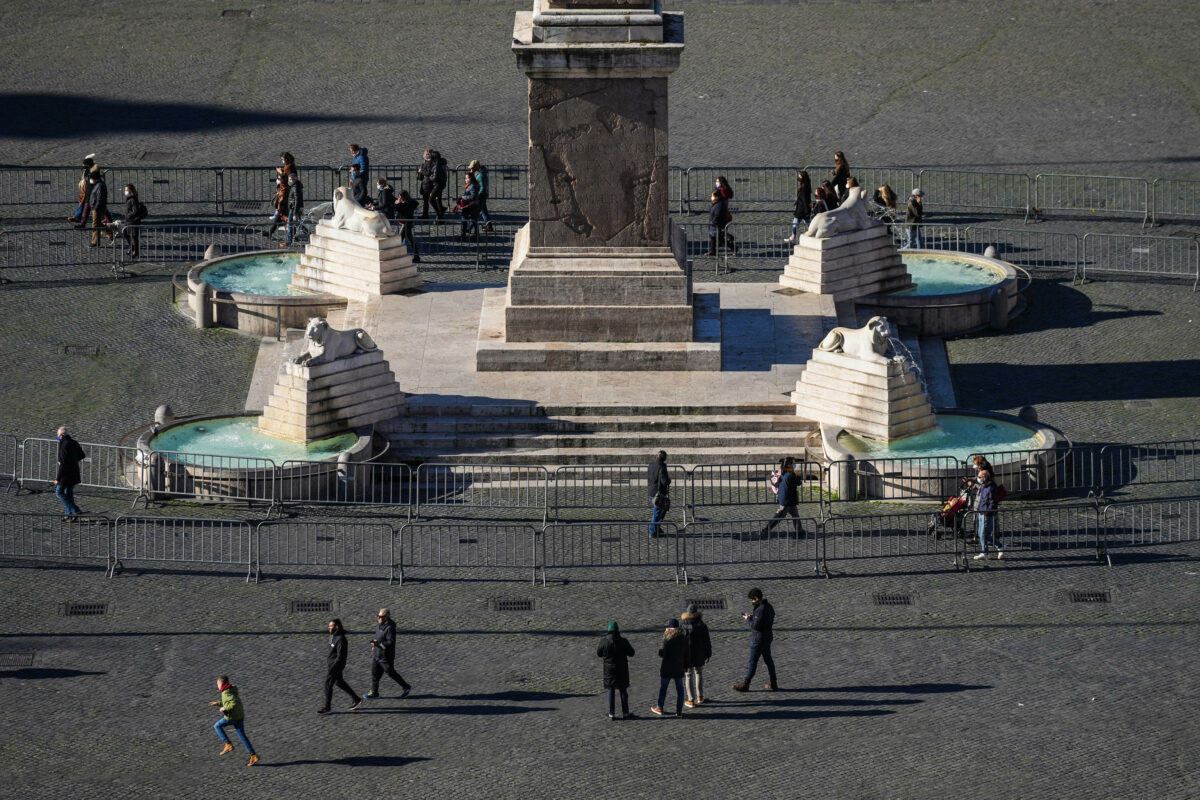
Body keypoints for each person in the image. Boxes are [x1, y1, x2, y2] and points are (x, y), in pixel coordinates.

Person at [732, 588, 776, 692]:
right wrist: (754, 617)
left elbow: (755, 626)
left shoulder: (760, 609)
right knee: (769, 661)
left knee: (752, 662)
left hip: (758, 639)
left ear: (756, 598)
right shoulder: (769, 606)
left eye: (752, 600)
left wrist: (748, 619)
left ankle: (745, 684)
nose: (751, 602)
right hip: (767, 637)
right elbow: (767, 619)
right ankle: (774, 683)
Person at [208, 675, 259, 766]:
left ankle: (228, 744)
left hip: (232, 717)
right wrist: (218, 703)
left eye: (218, 684)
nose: (217, 686)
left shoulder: (225, 693)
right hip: (240, 715)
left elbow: (233, 702)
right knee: (242, 736)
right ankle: (253, 755)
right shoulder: (231, 689)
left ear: (221, 684)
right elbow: (229, 700)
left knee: (217, 726)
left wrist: (224, 708)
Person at [363, 608, 412, 700]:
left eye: (382, 617)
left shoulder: (390, 628)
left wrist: (378, 644)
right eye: (378, 616)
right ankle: (374, 692)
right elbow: (378, 636)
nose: (379, 618)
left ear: (387, 617)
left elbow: (390, 642)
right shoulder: (380, 625)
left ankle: (406, 687)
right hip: (377, 655)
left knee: (391, 673)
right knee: (374, 673)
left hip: (385, 656)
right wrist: (374, 645)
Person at [319, 618, 362, 714]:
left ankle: (327, 706)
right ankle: (356, 699)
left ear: (336, 627)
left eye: (331, 626)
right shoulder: (332, 635)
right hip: (332, 664)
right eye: (329, 626)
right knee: (339, 682)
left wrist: (333, 666)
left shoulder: (341, 640)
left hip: (335, 666)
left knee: (328, 684)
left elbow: (340, 656)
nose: (329, 628)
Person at [596, 620, 635, 720]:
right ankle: (625, 713)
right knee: (623, 691)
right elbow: (632, 653)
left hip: (609, 670)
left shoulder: (604, 641)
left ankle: (611, 713)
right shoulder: (623, 641)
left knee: (611, 690)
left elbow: (599, 653)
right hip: (622, 669)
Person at [650, 618, 687, 717]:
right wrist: (686, 666)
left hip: (667, 667)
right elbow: (687, 654)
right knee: (680, 690)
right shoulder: (683, 638)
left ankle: (659, 707)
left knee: (663, 688)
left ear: (670, 628)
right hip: (679, 667)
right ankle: (679, 711)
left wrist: (659, 651)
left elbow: (664, 653)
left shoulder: (668, 639)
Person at [760, 456, 801, 538]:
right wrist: (798, 477)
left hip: (788, 498)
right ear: (789, 465)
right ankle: (766, 529)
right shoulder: (791, 474)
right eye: (793, 463)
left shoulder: (783, 472)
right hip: (787, 500)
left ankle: (799, 531)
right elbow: (798, 482)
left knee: (795, 515)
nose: (795, 464)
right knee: (779, 516)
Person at [680, 604, 711, 708]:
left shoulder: (684, 625)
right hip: (699, 653)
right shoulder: (701, 624)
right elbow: (707, 641)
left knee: (688, 676)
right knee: (698, 673)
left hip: (687, 654)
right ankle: (700, 697)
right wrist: (708, 653)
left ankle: (690, 699)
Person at [53, 426, 85, 518]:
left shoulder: (63, 445)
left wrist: (57, 479)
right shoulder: (74, 442)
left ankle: (74, 509)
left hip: (65, 474)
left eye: (58, 435)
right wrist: (73, 461)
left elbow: (63, 464)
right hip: (74, 471)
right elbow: (82, 455)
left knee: (59, 492)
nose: (57, 437)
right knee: (68, 493)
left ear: (61, 435)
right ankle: (68, 514)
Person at [973, 467, 1004, 560]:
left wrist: (987, 513)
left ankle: (998, 547)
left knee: (984, 534)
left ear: (984, 478)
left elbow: (992, 503)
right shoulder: (983, 486)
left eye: (979, 477)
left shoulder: (990, 488)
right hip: (981, 512)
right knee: (980, 533)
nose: (977, 478)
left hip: (987, 514)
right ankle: (985, 551)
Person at [418, 148, 447, 221]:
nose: (425, 155)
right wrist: (420, 173)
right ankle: (439, 213)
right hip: (428, 183)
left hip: (430, 184)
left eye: (427, 154)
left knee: (432, 199)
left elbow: (430, 174)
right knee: (431, 199)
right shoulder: (425, 162)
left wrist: (422, 172)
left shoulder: (433, 164)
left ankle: (439, 214)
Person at [647, 450, 670, 538]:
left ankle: (657, 527)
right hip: (659, 493)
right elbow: (664, 481)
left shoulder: (651, 465)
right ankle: (652, 531)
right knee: (657, 512)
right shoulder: (662, 467)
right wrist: (669, 480)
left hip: (652, 491)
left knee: (662, 509)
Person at [121, 184, 147, 259]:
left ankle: (136, 251)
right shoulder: (129, 198)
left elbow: (135, 211)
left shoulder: (132, 199)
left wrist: (129, 215)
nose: (125, 191)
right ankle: (131, 247)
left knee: (134, 237)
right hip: (128, 221)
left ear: (130, 191)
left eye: (126, 190)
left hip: (133, 221)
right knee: (126, 233)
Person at [87, 170, 113, 247]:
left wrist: (95, 208)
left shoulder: (100, 186)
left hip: (97, 208)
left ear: (96, 179)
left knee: (95, 224)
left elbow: (100, 198)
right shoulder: (98, 184)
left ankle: (95, 242)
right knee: (99, 223)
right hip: (98, 207)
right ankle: (110, 234)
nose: (91, 180)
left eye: (92, 178)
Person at [70, 154, 97, 225]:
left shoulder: (92, 170)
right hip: (86, 189)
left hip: (90, 189)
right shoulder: (88, 169)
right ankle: (78, 217)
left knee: (91, 205)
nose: (82, 165)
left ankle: (79, 218)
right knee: (83, 203)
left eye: (84, 164)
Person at [395, 188, 421, 263]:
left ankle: (397, 256)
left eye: (400, 197)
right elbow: (416, 203)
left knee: (399, 240)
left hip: (405, 224)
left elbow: (397, 208)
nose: (399, 198)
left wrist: (397, 203)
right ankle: (416, 256)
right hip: (408, 223)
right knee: (411, 240)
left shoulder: (404, 205)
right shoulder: (411, 203)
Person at [467, 160, 493, 231]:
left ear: (477, 167)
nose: (471, 170)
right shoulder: (480, 173)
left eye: (472, 168)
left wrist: (477, 196)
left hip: (481, 196)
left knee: (475, 213)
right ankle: (489, 226)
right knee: (483, 211)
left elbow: (482, 187)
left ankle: (468, 228)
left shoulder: (481, 175)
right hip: (482, 196)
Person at [452, 175, 480, 240]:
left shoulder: (472, 186)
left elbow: (472, 196)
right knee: (473, 219)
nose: (465, 179)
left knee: (465, 219)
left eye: (467, 178)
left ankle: (464, 235)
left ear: (470, 178)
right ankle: (475, 235)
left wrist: (463, 197)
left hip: (469, 206)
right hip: (472, 205)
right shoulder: (471, 184)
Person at [789, 171, 812, 244]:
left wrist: (806, 211)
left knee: (796, 223)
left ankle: (793, 237)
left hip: (801, 209)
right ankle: (793, 237)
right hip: (803, 209)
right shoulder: (806, 185)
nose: (798, 177)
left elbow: (804, 200)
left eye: (799, 176)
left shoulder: (804, 187)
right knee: (807, 223)